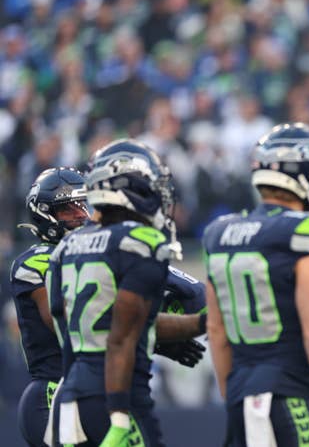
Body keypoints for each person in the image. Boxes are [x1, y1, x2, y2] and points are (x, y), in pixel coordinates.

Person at [204, 123, 309, 447]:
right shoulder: (305, 230)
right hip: (292, 390)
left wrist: (234, 397)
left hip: (241, 391)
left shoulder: (219, 232)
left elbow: (216, 331)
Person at [48, 139, 205, 446]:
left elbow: (98, 321)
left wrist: (199, 325)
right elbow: (120, 334)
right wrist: (119, 416)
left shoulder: (66, 246)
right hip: (117, 394)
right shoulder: (139, 242)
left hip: (70, 393)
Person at [9, 167, 89, 446]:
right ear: (45, 213)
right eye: (68, 209)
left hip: (91, 393)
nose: (81, 214)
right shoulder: (34, 262)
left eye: (82, 205)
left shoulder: (94, 256)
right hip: (53, 395)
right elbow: (63, 322)